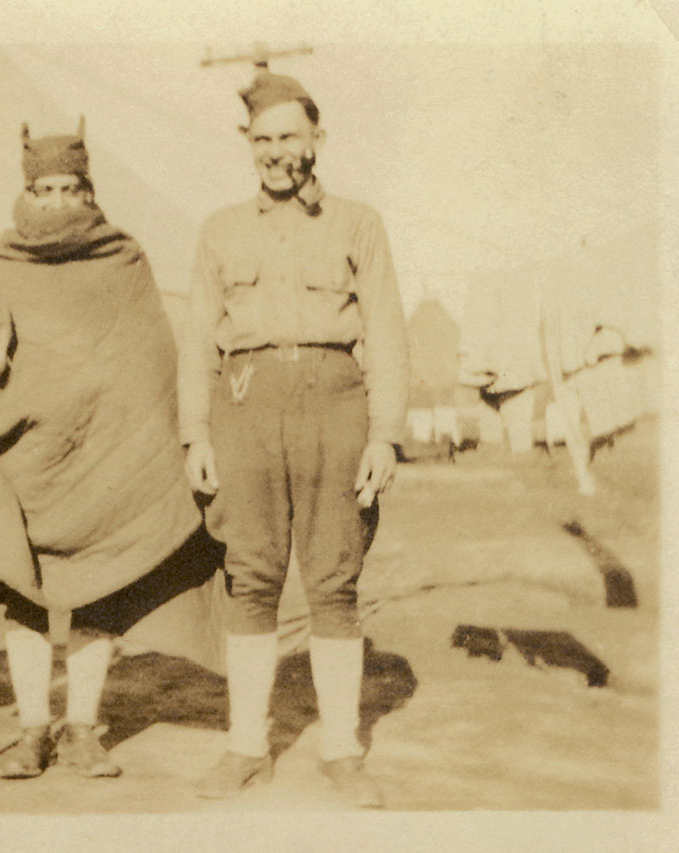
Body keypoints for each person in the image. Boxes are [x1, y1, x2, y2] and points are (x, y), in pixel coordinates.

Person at [0, 122, 203, 780]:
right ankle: (32, 729)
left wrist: (126, 422)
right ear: (26, 193)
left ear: (90, 191)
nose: (56, 202)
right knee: (25, 593)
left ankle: (81, 728)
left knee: (98, 592)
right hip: (28, 461)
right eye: (43, 189)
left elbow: (149, 356)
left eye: (69, 188)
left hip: (104, 457)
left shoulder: (123, 260)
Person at [178, 71, 409, 807]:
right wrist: (196, 433)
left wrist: (386, 435)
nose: (278, 152)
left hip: (336, 402)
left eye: (291, 136)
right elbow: (195, 344)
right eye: (264, 139)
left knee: (335, 581)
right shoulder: (219, 229)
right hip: (245, 406)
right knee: (252, 579)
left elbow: (389, 334)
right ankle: (247, 747)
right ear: (248, 145)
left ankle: (342, 751)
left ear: (317, 138)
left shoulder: (357, 223)